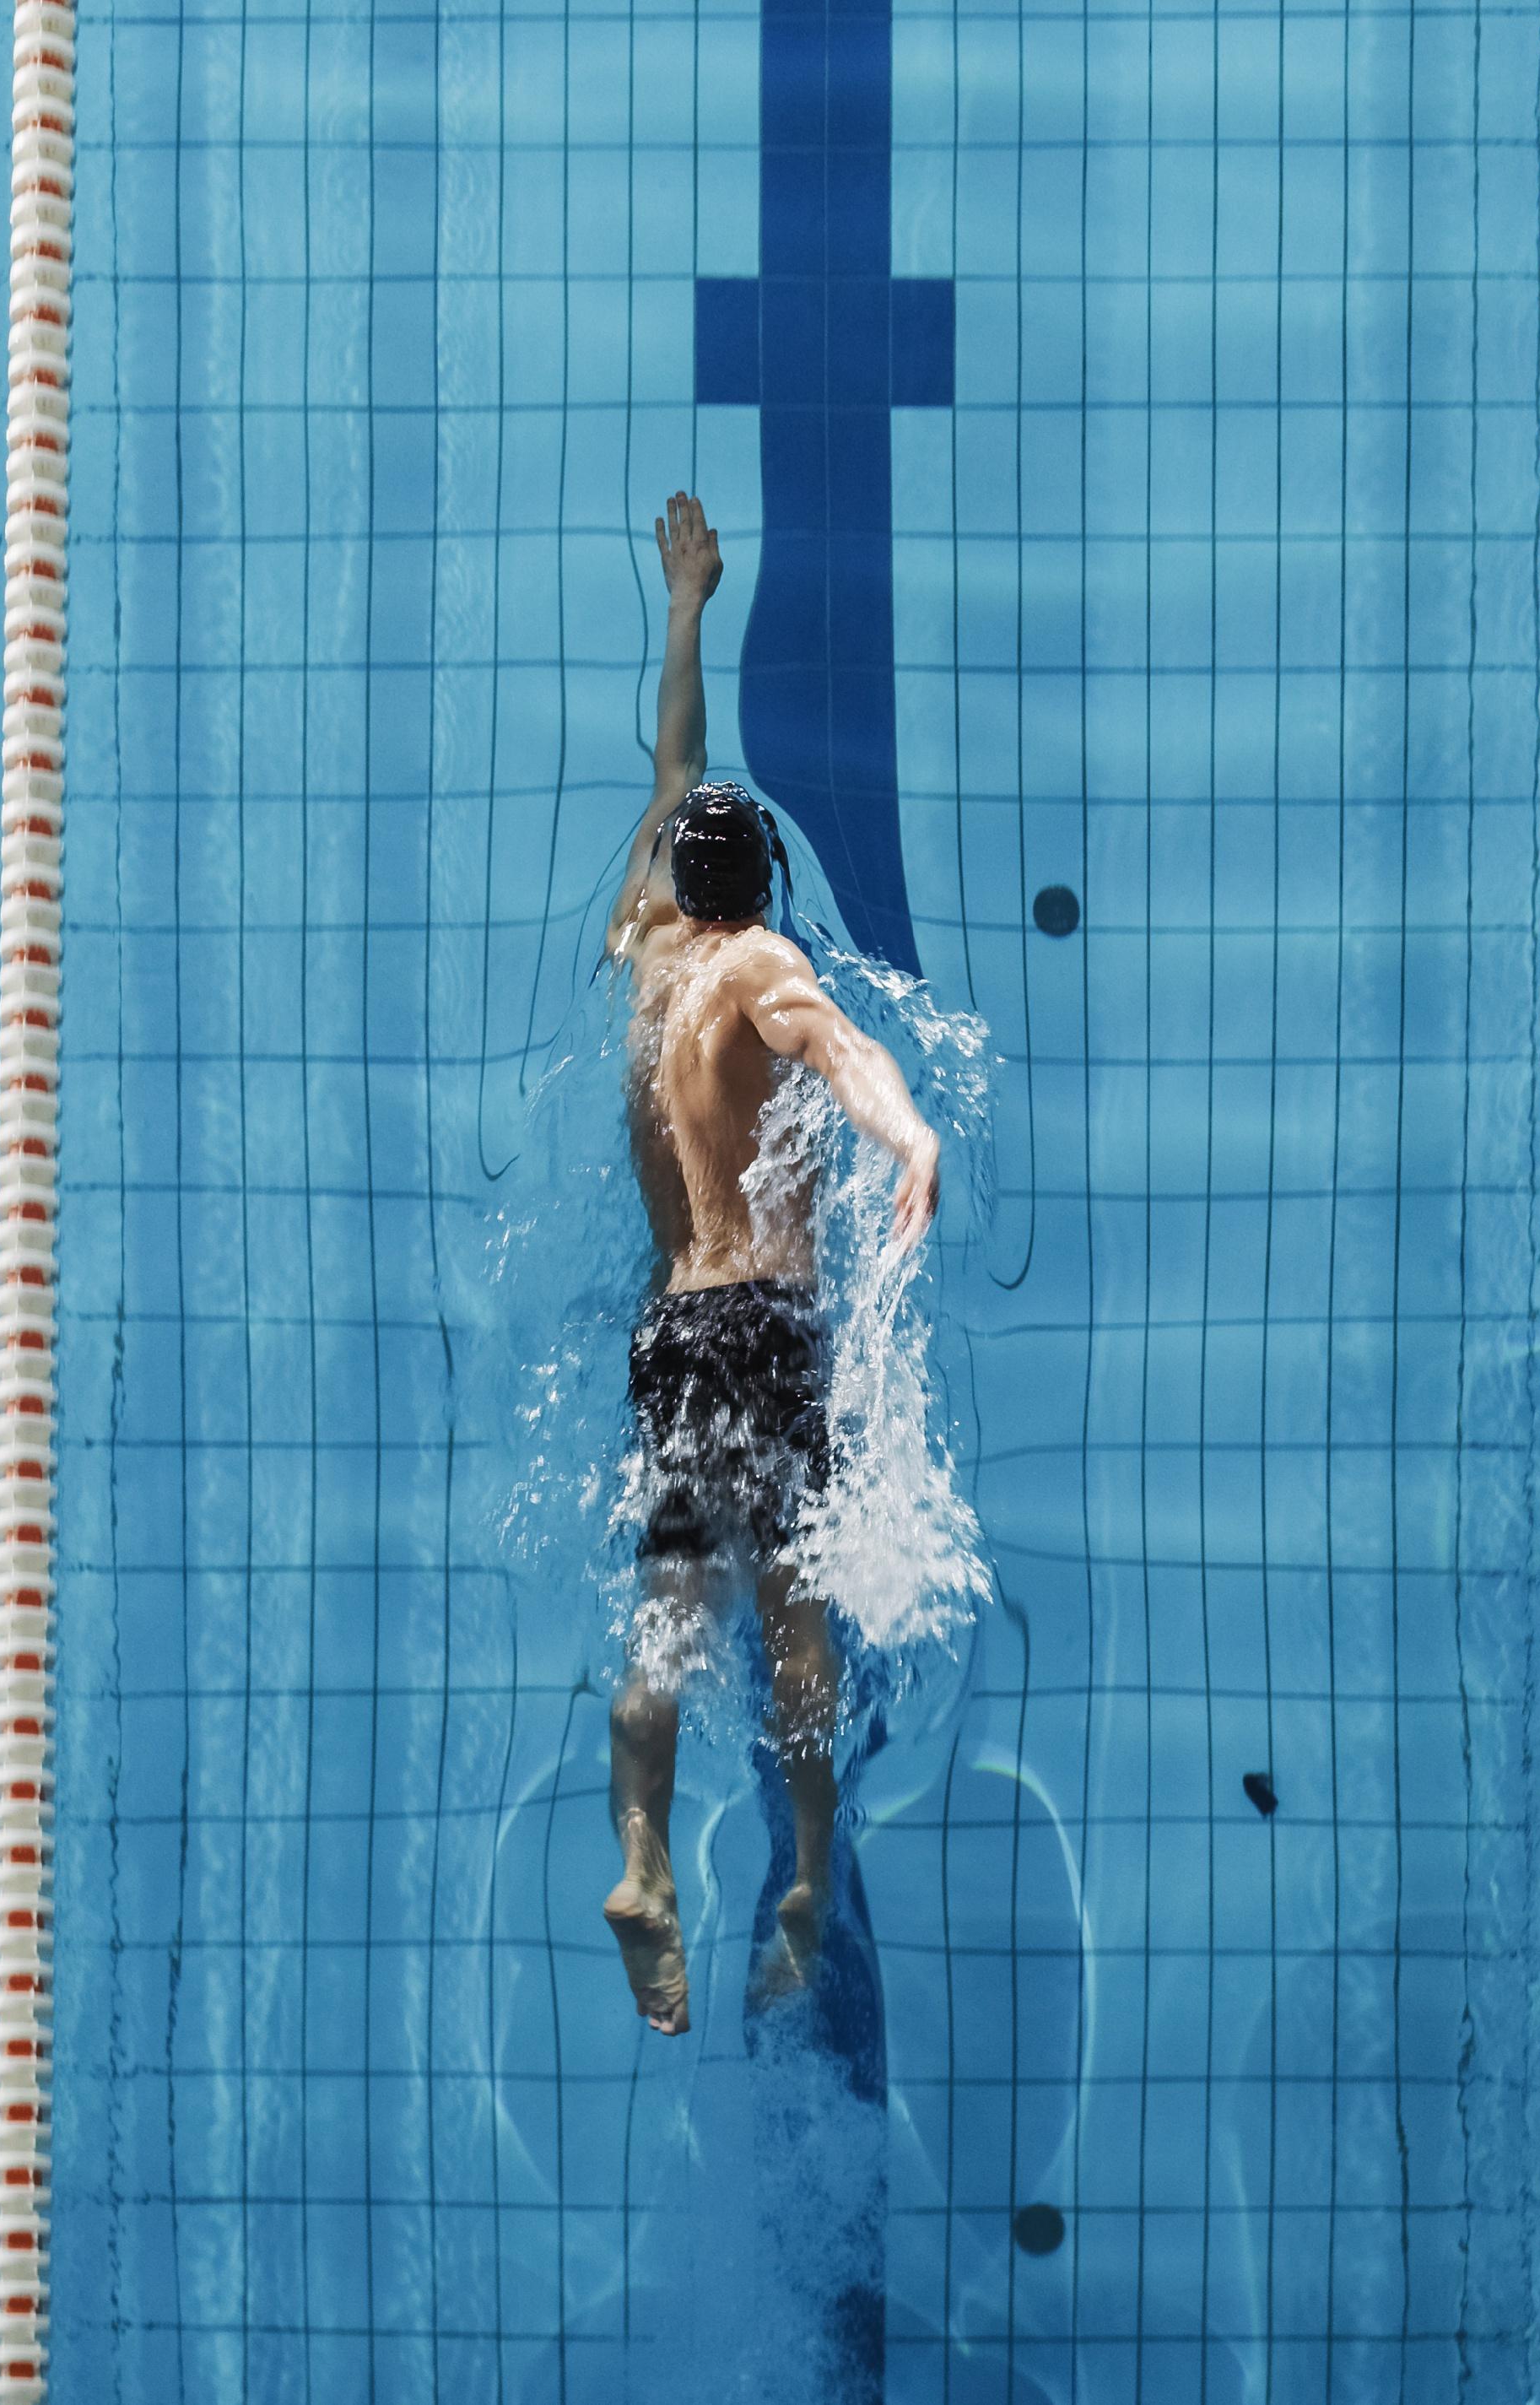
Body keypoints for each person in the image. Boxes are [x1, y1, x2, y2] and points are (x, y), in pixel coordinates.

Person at [597, 494, 942, 2035]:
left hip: (669, 1331)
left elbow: (673, 770)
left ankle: (642, 1861)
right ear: (764, 893)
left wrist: (686, 608)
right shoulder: (758, 965)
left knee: (670, 1606)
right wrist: (906, 1134)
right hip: (763, 1327)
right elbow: (844, 1045)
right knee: (795, 1613)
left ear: (675, 878)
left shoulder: (652, 952)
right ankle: (805, 1870)